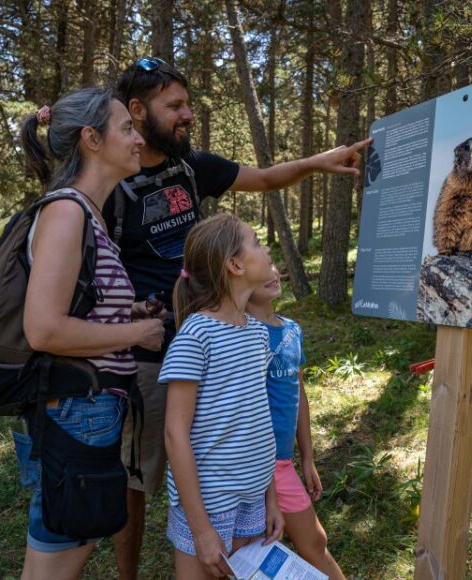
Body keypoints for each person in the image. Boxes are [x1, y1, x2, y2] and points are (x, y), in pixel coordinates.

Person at [108, 56, 371, 578]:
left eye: (188, 104)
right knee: (138, 480)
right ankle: (133, 570)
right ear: (137, 111)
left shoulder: (192, 167)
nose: (187, 115)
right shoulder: (114, 180)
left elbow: (268, 177)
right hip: (148, 356)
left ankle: (225, 540)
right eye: (174, 106)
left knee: (227, 442)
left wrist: (320, 162)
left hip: (214, 338)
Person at [14, 86, 165, 580]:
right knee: (56, 563)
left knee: (57, 552)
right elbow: (44, 329)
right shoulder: (67, 212)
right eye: (126, 128)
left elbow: (80, 308)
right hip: (78, 409)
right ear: (91, 139)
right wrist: (137, 332)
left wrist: (128, 312)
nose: (138, 139)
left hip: (89, 408)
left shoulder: (89, 213)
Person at [161, 214, 283, 579]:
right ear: (235, 265)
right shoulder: (197, 336)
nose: (266, 248)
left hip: (252, 498)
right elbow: (174, 434)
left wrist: (271, 499)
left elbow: (259, 422)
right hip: (209, 504)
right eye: (257, 242)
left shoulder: (257, 333)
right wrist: (201, 530)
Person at [246, 266, 346, 579]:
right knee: (309, 543)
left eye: (273, 265)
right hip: (256, 463)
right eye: (261, 270)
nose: (272, 272)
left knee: (310, 543)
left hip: (283, 461)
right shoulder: (241, 334)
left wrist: (307, 458)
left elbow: (298, 395)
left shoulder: (292, 329)